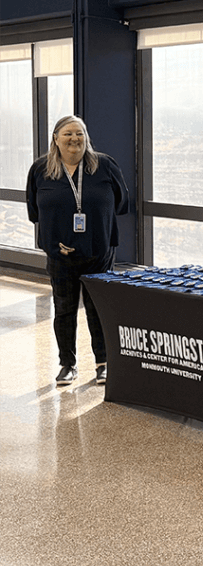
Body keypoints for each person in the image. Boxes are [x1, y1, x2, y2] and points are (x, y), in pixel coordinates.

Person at [26, 115, 129, 385]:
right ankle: (67, 365)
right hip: (61, 256)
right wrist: (56, 237)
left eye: (80, 133)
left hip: (99, 254)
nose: (75, 139)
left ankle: (104, 363)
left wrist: (96, 226)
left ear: (87, 137)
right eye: (68, 134)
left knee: (99, 309)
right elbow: (34, 212)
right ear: (56, 139)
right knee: (64, 310)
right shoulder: (41, 169)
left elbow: (121, 203)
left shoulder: (104, 166)